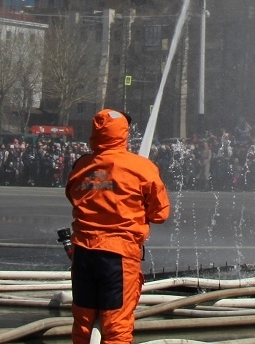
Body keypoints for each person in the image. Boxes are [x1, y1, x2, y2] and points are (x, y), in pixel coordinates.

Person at [65, 109, 170, 344]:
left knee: (83, 324)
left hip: (83, 253)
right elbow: (160, 213)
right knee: (117, 327)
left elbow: (72, 196)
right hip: (118, 256)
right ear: (123, 133)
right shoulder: (140, 168)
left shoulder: (81, 165)